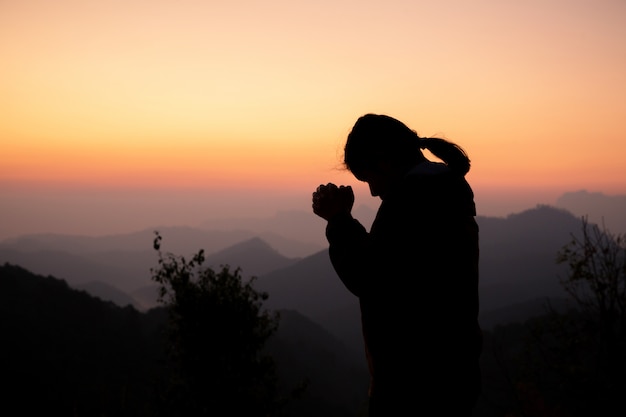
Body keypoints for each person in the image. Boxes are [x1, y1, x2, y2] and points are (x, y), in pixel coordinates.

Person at [312, 114, 482, 416]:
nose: (373, 192)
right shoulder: (443, 193)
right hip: (453, 376)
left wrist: (339, 221)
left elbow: (370, 278)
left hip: (412, 387)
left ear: (385, 161)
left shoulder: (412, 203)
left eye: (369, 179)